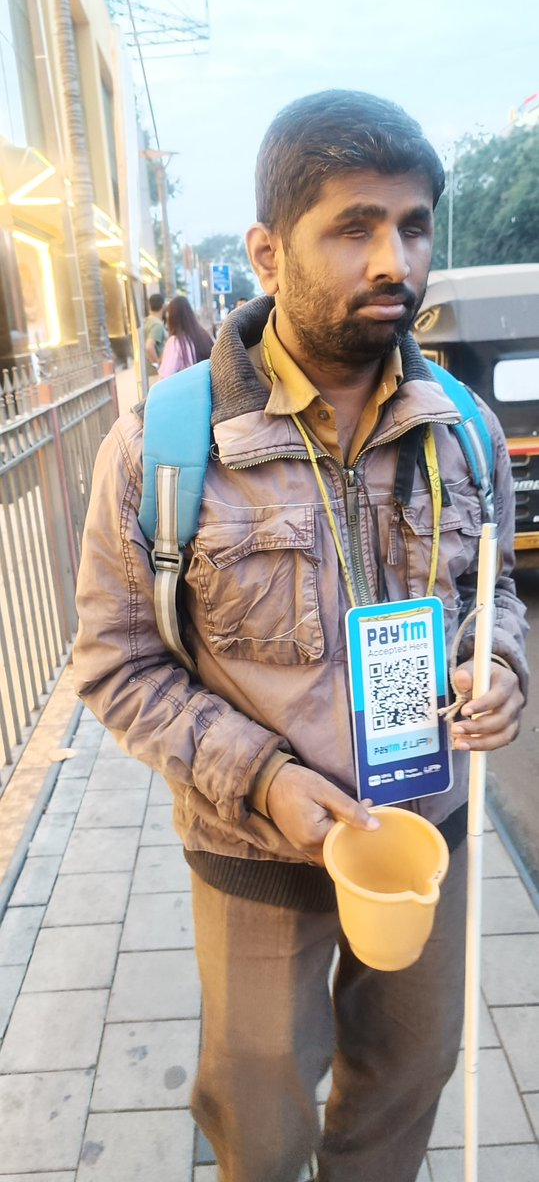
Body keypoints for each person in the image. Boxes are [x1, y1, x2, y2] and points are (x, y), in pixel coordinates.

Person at [73, 91, 528, 1182]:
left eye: (413, 227)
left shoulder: (462, 432)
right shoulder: (162, 451)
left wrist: (499, 663)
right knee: (261, 1120)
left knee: (406, 1087)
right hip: (254, 850)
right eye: (354, 226)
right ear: (268, 252)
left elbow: (493, 591)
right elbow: (115, 663)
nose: (395, 260)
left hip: (425, 837)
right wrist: (267, 779)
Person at [158, 295, 213, 380]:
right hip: (206, 391)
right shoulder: (204, 336)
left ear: (172, 317)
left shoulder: (175, 342)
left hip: (186, 391)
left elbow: (165, 377)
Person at [143, 292, 167, 381]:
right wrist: (157, 364)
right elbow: (149, 346)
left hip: (148, 371)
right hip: (155, 374)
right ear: (163, 305)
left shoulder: (146, 321)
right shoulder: (157, 325)